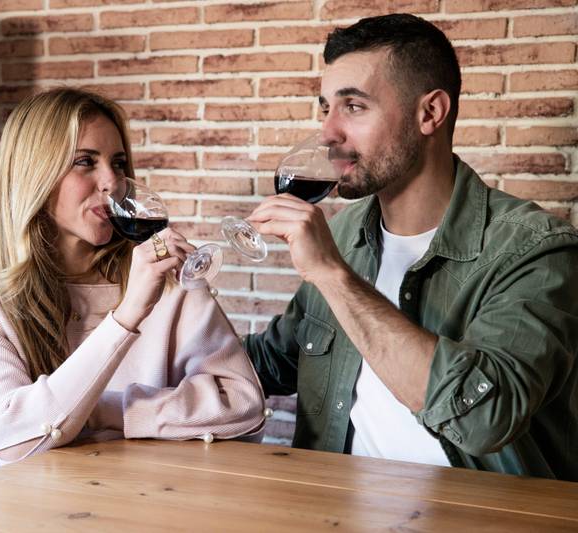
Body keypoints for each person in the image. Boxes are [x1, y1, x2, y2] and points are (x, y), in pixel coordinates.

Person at [243, 13, 578, 480]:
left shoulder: (536, 252)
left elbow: (484, 420)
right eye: (325, 108)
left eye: (354, 106)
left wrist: (332, 276)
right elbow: (273, 362)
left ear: (430, 113)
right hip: (333, 512)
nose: (327, 133)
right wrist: (172, 304)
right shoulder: (345, 233)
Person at [0, 87, 265, 473]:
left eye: (119, 162)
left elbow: (244, 409)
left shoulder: (167, 281)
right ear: (35, 175)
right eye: (85, 162)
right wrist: (127, 316)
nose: (112, 181)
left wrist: (101, 412)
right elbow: (13, 441)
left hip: (145, 504)